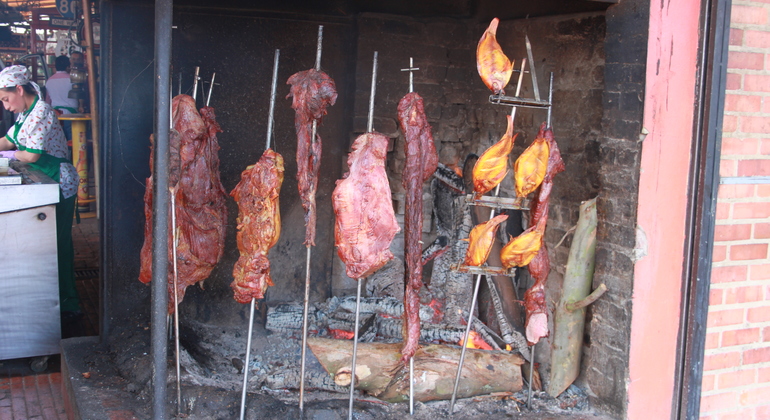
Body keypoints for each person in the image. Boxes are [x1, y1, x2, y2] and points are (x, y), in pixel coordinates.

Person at [0, 65, 82, 337]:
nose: (5, 104)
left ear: (19, 90)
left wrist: (7, 159)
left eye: (5, 98)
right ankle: (50, 302)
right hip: (43, 181)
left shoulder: (42, 112)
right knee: (46, 246)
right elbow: (9, 141)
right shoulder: (25, 114)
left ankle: (70, 306)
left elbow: (30, 156)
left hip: (58, 181)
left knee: (57, 245)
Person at [45, 55, 79, 140]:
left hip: (56, 114)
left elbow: (47, 100)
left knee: (58, 139)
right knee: (73, 139)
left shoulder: (49, 81)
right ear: (68, 66)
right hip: (72, 114)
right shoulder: (72, 79)